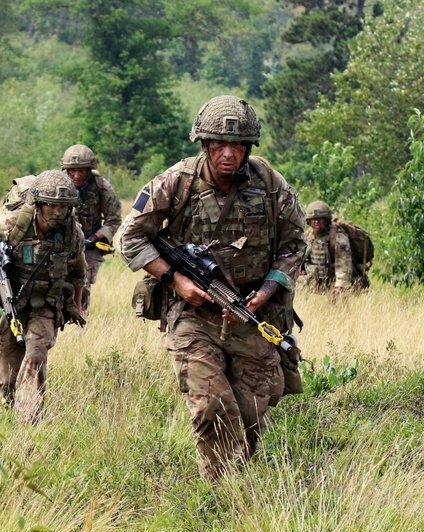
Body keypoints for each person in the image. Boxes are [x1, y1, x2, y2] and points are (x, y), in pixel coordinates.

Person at [119, 95, 306, 481]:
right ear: (204, 145)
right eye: (218, 144)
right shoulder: (177, 183)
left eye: (236, 145)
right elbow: (130, 239)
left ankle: (240, 479)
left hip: (250, 314)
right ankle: (218, 493)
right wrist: (176, 280)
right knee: (210, 405)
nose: (227, 154)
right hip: (192, 315)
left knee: (254, 411)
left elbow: (294, 245)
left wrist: (267, 292)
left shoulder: (270, 185)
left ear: (248, 148)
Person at [0, 170, 87, 425]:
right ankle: (12, 407)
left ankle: (30, 421)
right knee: (7, 377)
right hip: (3, 301)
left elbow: (78, 271)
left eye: (64, 207)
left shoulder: (71, 233)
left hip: (44, 304)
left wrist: (76, 306)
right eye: (53, 205)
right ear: (39, 204)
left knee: (36, 353)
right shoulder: (12, 223)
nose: (58, 212)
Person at [60, 144, 122, 312]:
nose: (77, 175)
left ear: (89, 169)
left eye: (81, 171)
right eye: (72, 171)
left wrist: (96, 237)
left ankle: (80, 319)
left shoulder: (102, 187)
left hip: (90, 243)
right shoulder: (57, 185)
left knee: (83, 283)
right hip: (61, 241)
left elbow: (114, 220)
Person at [301, 200, 359, 294]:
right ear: (308, 221)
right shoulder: (307, 235)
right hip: (312, 282)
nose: (316, 222)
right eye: (313, 219)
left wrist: (340, 285)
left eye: (320, 219)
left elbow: (344, 263)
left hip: (332, 283)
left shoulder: (337, 237)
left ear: (326, 220)